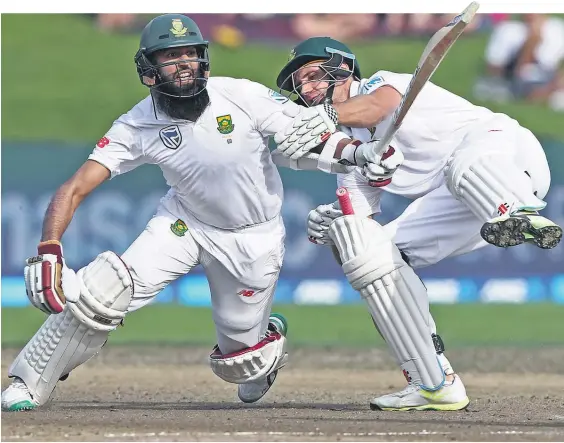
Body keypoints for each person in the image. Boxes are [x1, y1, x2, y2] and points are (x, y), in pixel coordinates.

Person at [0, 13, 307, 411]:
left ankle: (264, 345)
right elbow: (73, 188)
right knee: (101, 292)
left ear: (203, 59)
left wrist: (355, 152)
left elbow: (310, 129)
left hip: (253, 236)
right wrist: (49, 247)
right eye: (169, 56)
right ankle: (28, 382)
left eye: (189, 54)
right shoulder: (137, 124)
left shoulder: (241, 95)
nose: (183, 64)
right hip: (184, 222)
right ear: (149, 68)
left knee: (240, 363)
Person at [272, 36, 562, 411]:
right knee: (371, 256)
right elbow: (363, 228)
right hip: (460, 203)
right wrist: (336, 229)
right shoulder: (349, 152)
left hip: (504, 155)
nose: (306, 89)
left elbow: (380, 107)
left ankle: (517, 212)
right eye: (299, 84)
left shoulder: (380, 83)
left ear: (341, 69)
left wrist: (326, 118)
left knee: (462, 167)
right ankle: (434, 381)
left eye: (312, 76)